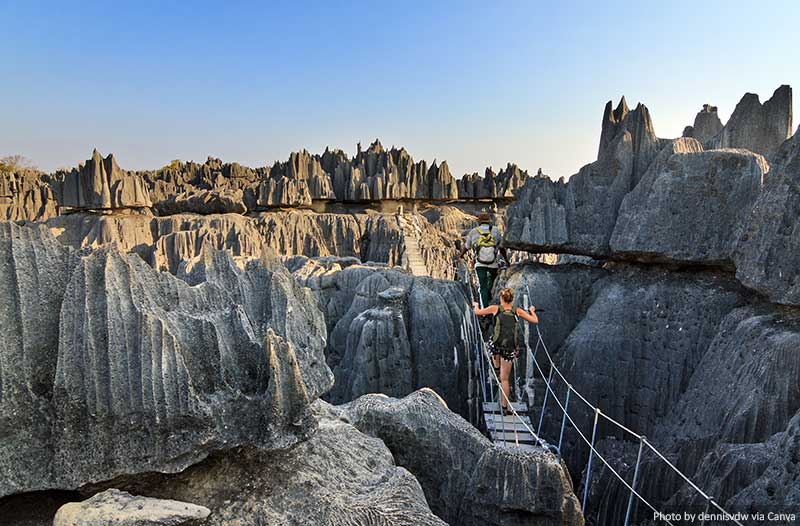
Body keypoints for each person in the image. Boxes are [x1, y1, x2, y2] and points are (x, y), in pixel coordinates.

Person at [473, 287, 538, 415]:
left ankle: (496, 366)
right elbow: (535, 321)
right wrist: (532, 311)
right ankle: (504, 407)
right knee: (505, 380)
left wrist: (475, 305)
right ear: (512, 299)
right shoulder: (517, 311)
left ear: (501, 298)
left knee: (490, 344)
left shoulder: (495, 308)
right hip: (509, 348)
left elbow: (477, 312)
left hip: (496, 345)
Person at [455, 212, 508, 309]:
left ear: (479, 222)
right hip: (493, 264)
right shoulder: (495, 231)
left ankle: (485, 310)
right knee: (492, 285)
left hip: (480, 264)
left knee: (482, 287)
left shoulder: (473, 232)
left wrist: (460, 256)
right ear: (489, 222)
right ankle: (492, 303)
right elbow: (501, 248)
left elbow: (466, 247)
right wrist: (507, 260)